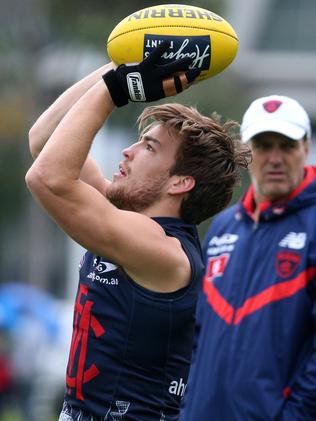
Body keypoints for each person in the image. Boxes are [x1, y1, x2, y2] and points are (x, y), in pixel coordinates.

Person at [25, 41, 250, 421]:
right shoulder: (125, 218)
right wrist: (120, 65)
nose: (127, 151)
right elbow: (44, 141)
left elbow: (47, 178)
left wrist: (117, 91)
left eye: (148, 146)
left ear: (180, 183)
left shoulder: (163, 251)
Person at [179, 94, 316, 421]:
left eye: (287, 145)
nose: (275, 158)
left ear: (306, 149)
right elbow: (197, 335)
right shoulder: (224, 227)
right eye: (264, 145)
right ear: (246, 151)